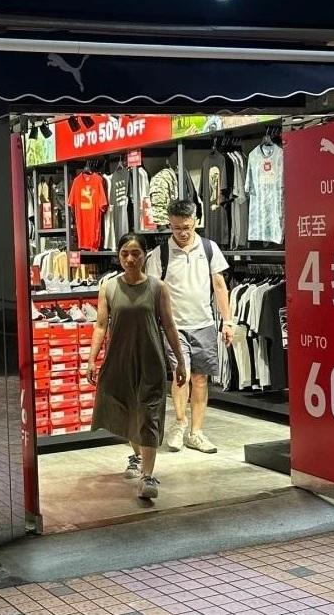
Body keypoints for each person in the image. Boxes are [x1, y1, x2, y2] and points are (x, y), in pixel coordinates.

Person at [87, 233, 187, 501]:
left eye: (135, 253)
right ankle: (138, 456)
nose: (130, 259)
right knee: (129, 412)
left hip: (150, 360)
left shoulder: (157, 288)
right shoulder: (108, 288)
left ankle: (148, 476)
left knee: (150, 414)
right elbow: (100, 326)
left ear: (144, 255)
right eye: (124, 254)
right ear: (118, 256)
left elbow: (169, 326)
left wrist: (179, 361)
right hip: (120, 361)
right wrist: (92, 359)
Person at [145, 199, 234, 454]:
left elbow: (219, 286)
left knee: (201, 379)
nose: (182, 233)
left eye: (186, 227)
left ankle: (196, 432)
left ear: (195, 221)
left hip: (204, 323)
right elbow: (152, 291)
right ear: (169, 225)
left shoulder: (209, 248)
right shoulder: (160, 254)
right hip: (174, 326)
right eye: (176, 228)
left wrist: (227, 321)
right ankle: (179, 423)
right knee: (180, 375)